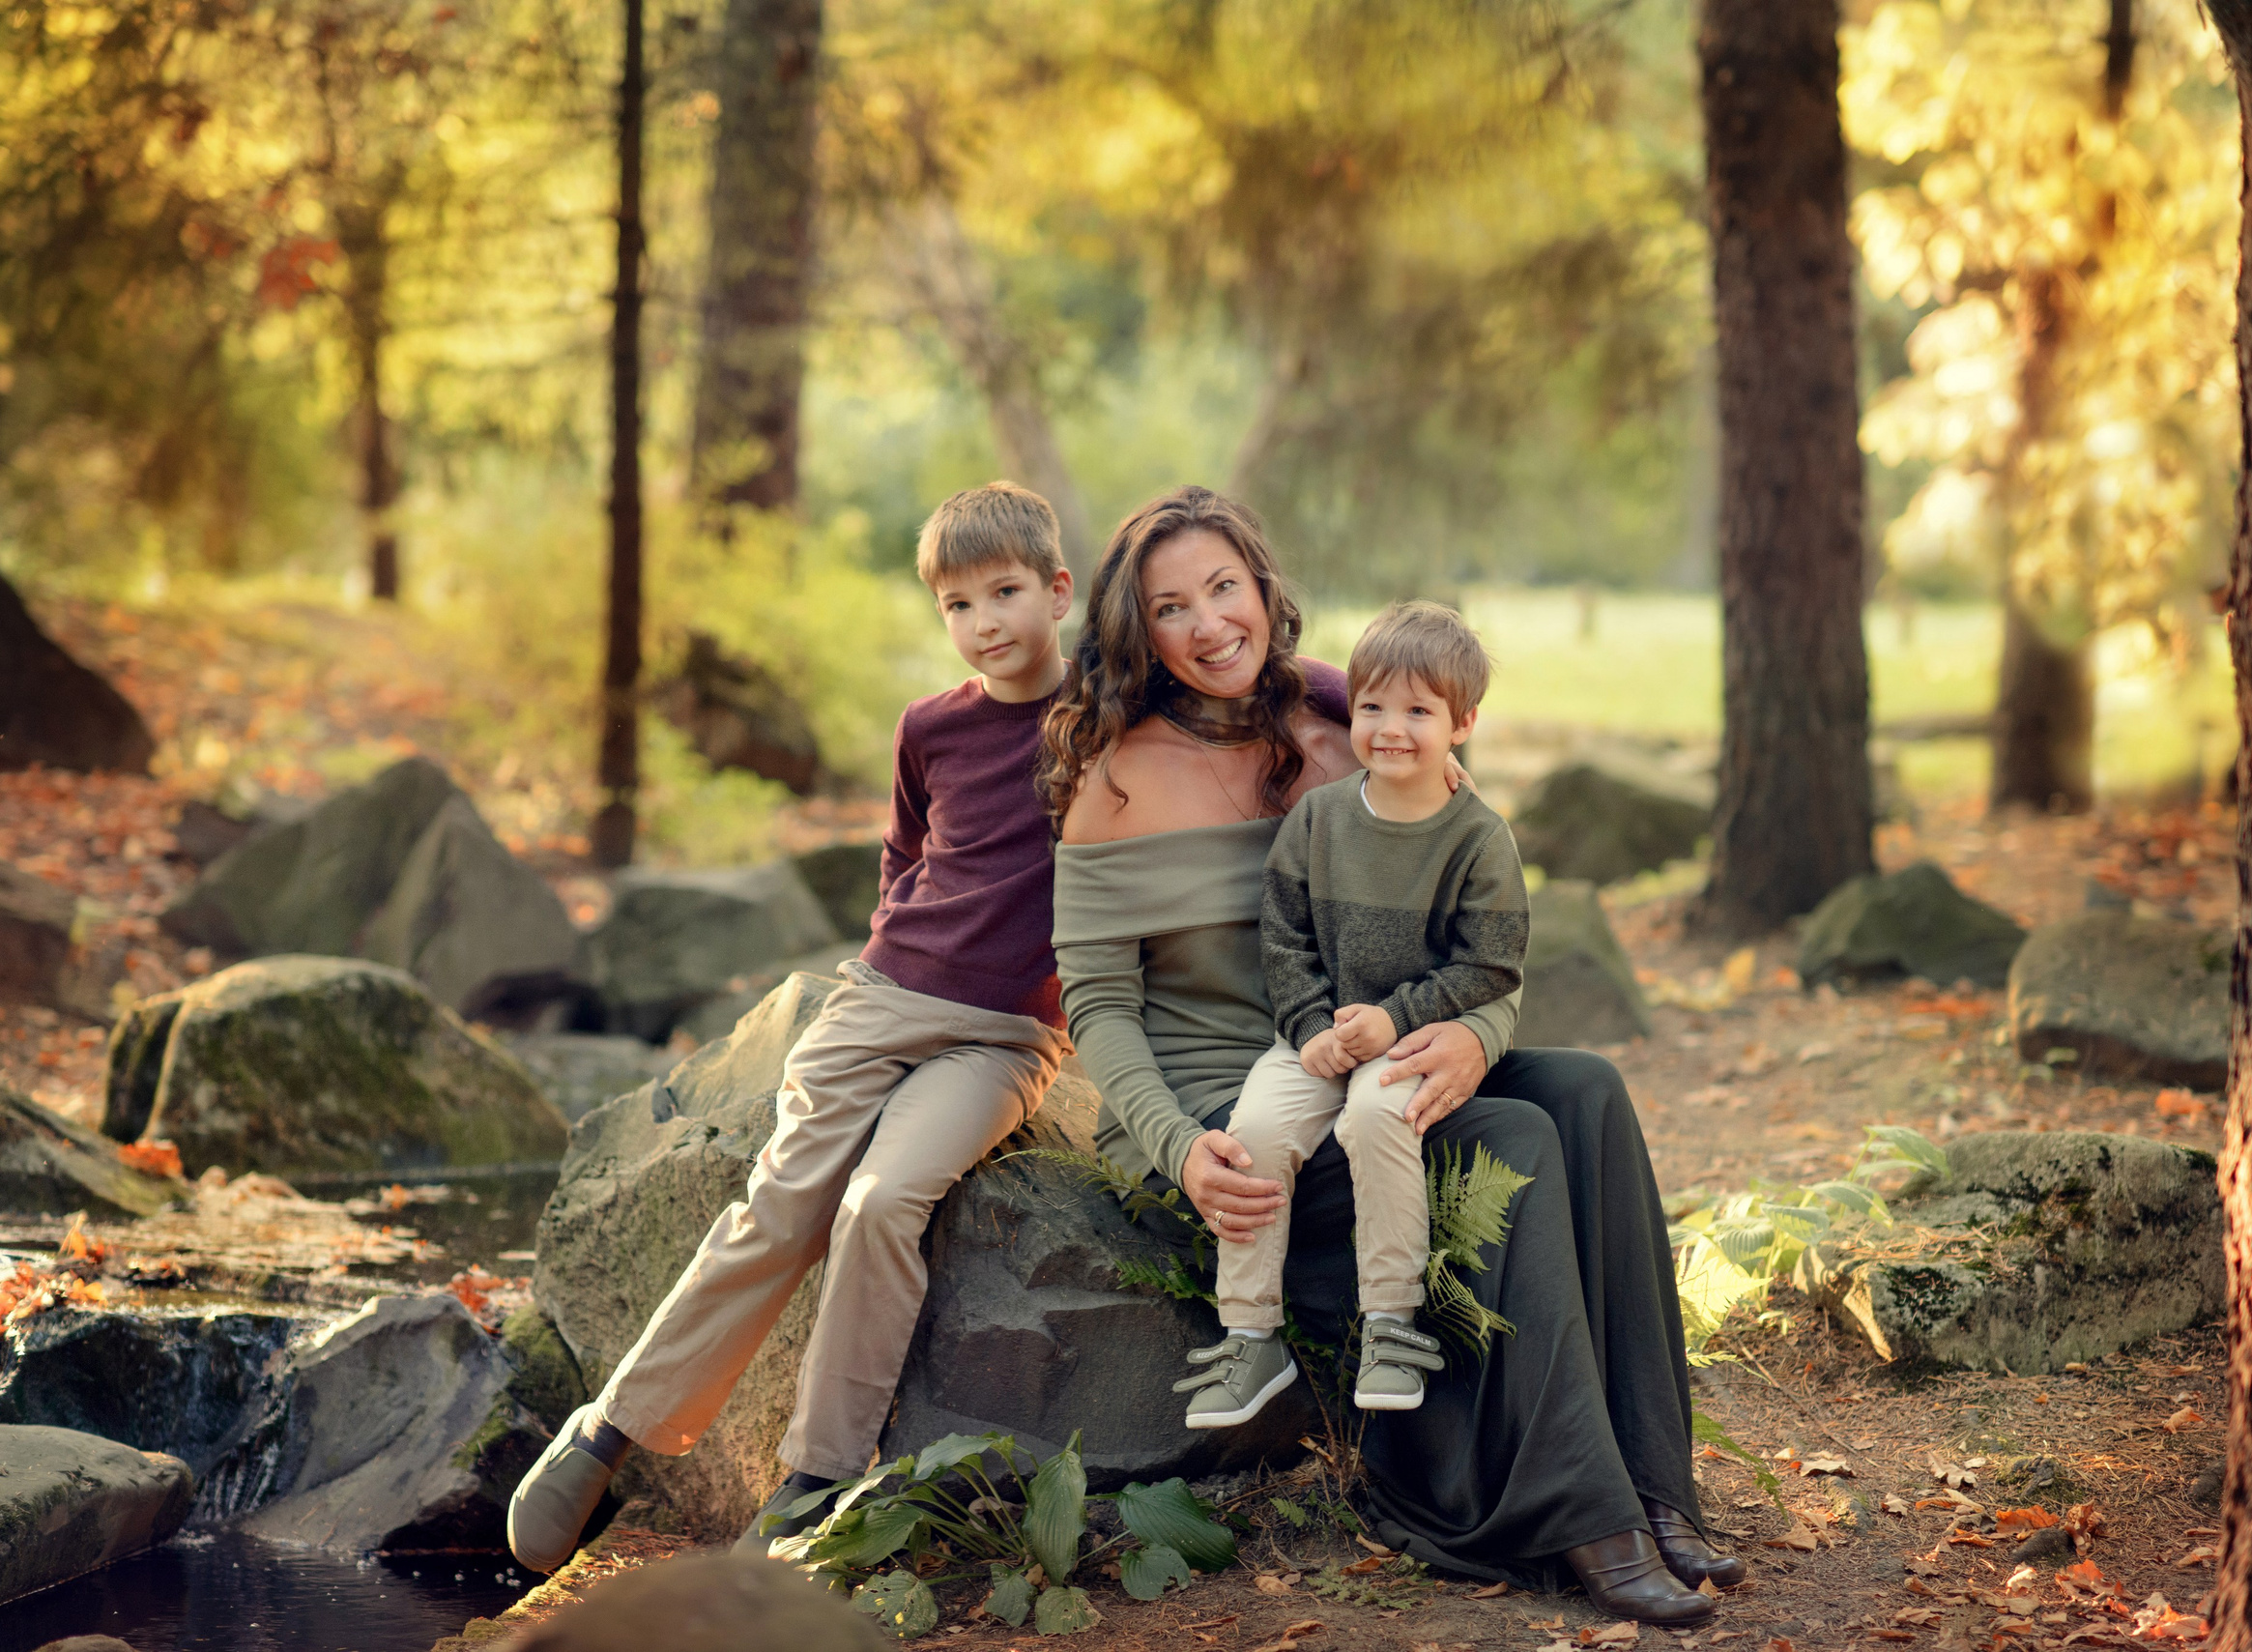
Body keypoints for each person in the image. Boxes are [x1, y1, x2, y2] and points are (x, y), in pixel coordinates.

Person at [1041, 484, 1739, 1627]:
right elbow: (1099, 1003)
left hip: (1369, 1051)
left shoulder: (1340, 726)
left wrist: (1474, 1032)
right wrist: (1178, 1148)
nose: (1209, 623)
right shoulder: (1113, 780)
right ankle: (1579, 1514)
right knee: (1514, 1135)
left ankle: (1655, 1488)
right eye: (1171, 606)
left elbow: (1479, 925)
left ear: (1263, 587)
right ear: (1137, 629)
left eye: (1224, 586)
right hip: (1235, 1112)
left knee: (1589, 1091)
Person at [506, 481, 1079, 1574]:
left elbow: (1258, 685)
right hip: (879, 1000)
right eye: (957, 604)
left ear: (1058, 590)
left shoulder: (1099, 715)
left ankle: (818, 1471)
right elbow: (904, 856)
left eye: (1005, 592)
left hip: (1003, 1037)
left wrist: (1372, 696)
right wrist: (895, 952)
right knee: (783, 1204)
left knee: (882, 1201)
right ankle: (613, 1424)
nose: (984, 622)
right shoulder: (930, 727)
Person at [1182, 601, 1525, 1427]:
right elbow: (1283, 936)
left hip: (1406, 1043)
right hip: (1314, 1038)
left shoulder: (1479, 838)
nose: (1391, 728)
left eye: (1418, 711)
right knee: (1255, 1132)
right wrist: (1308, 1029)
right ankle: (1250, 1333)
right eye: (1372, 706)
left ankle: (1391, 1323)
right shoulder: (1319, 817)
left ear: (1463, 724)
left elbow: (1490, 961)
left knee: (1377, 1117)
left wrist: (1395, 1021)